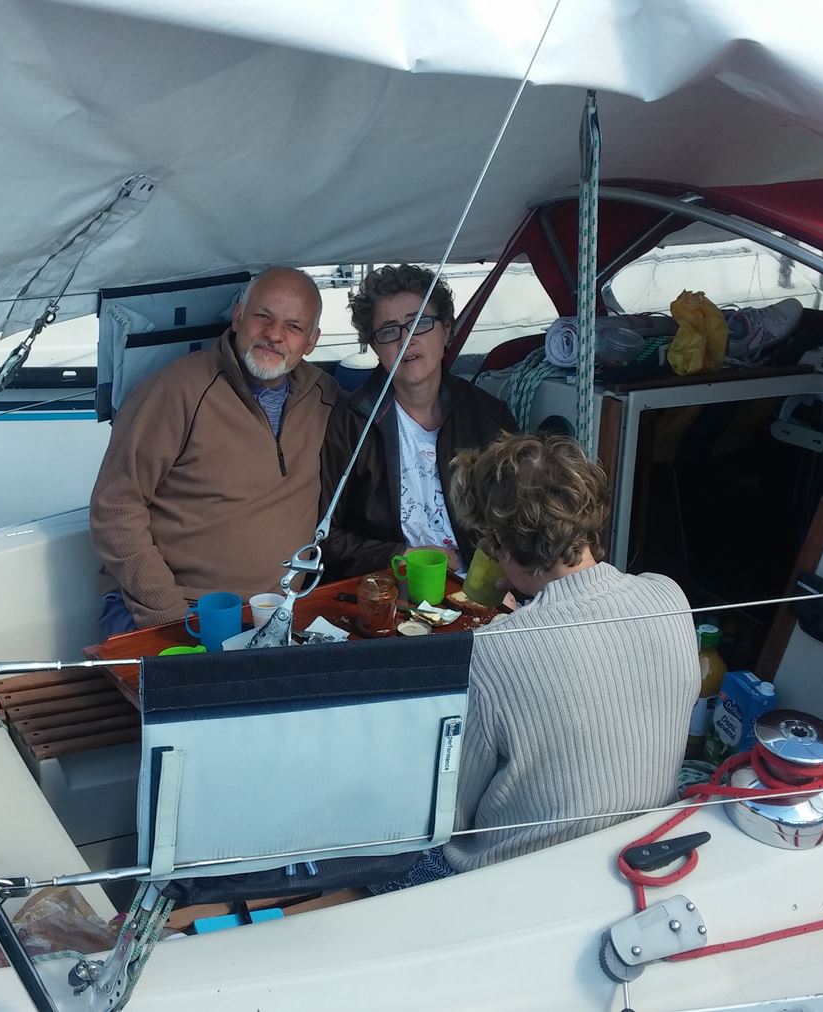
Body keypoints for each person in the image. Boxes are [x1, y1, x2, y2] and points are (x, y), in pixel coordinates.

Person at [378, 434, 696, 890]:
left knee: (380, 849)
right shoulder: (669, 595)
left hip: (528, 879)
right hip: (643, 849)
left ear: (501, 544)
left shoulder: (493, 653)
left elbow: (448, 815)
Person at [90, 267, 337, 632]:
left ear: (312, 341)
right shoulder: (177, 390)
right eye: (263, 317)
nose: (274, 335)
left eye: (293, 326)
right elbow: (114, 507)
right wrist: (169, 613)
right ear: (238, 318)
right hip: (182, 609)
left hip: (276, 613)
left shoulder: (324, 397)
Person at [319, 265, 514, 580]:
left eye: (419, 323)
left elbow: (516, 521)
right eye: (388, 331)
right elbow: (327, 536)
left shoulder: (490, 417)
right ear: (374, 346)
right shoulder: (352, 421)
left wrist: (492, 584)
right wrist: (400, 556)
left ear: (446, 331)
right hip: (391, 587)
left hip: (480, 587)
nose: (405, 340)